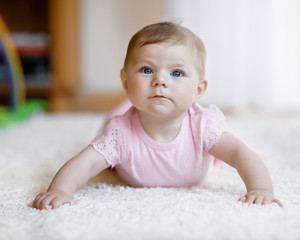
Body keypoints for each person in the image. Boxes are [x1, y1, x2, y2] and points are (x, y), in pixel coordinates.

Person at [32, 22, 283, 210]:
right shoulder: (119, 131)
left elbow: (241, 154)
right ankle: (123, 105)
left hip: (194, 142)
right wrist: (59, 191)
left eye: (176, 73)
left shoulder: (203, 126)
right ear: (126, 81)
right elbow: (85, 162)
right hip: (125, 122)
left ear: (198, 90)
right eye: (147, 69)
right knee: (110, 124)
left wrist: (260, 189)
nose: (160, 80)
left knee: (218, 152)